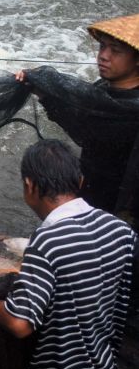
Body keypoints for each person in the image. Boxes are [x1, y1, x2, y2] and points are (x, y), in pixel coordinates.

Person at [0, 139, 136, 369]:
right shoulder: (121, 231)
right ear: (80, 182)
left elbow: (19, 324)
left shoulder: (48, 240)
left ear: (29, 186)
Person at [15, 14, 139, 224]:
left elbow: (91, 127)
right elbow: (84, 128)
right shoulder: (102, 90)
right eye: (102, 47)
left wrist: (49, 83)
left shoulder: (130, 107)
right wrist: (43, 93)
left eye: (115, 51)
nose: (104, 56)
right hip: (91, 186)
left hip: (121, 204)